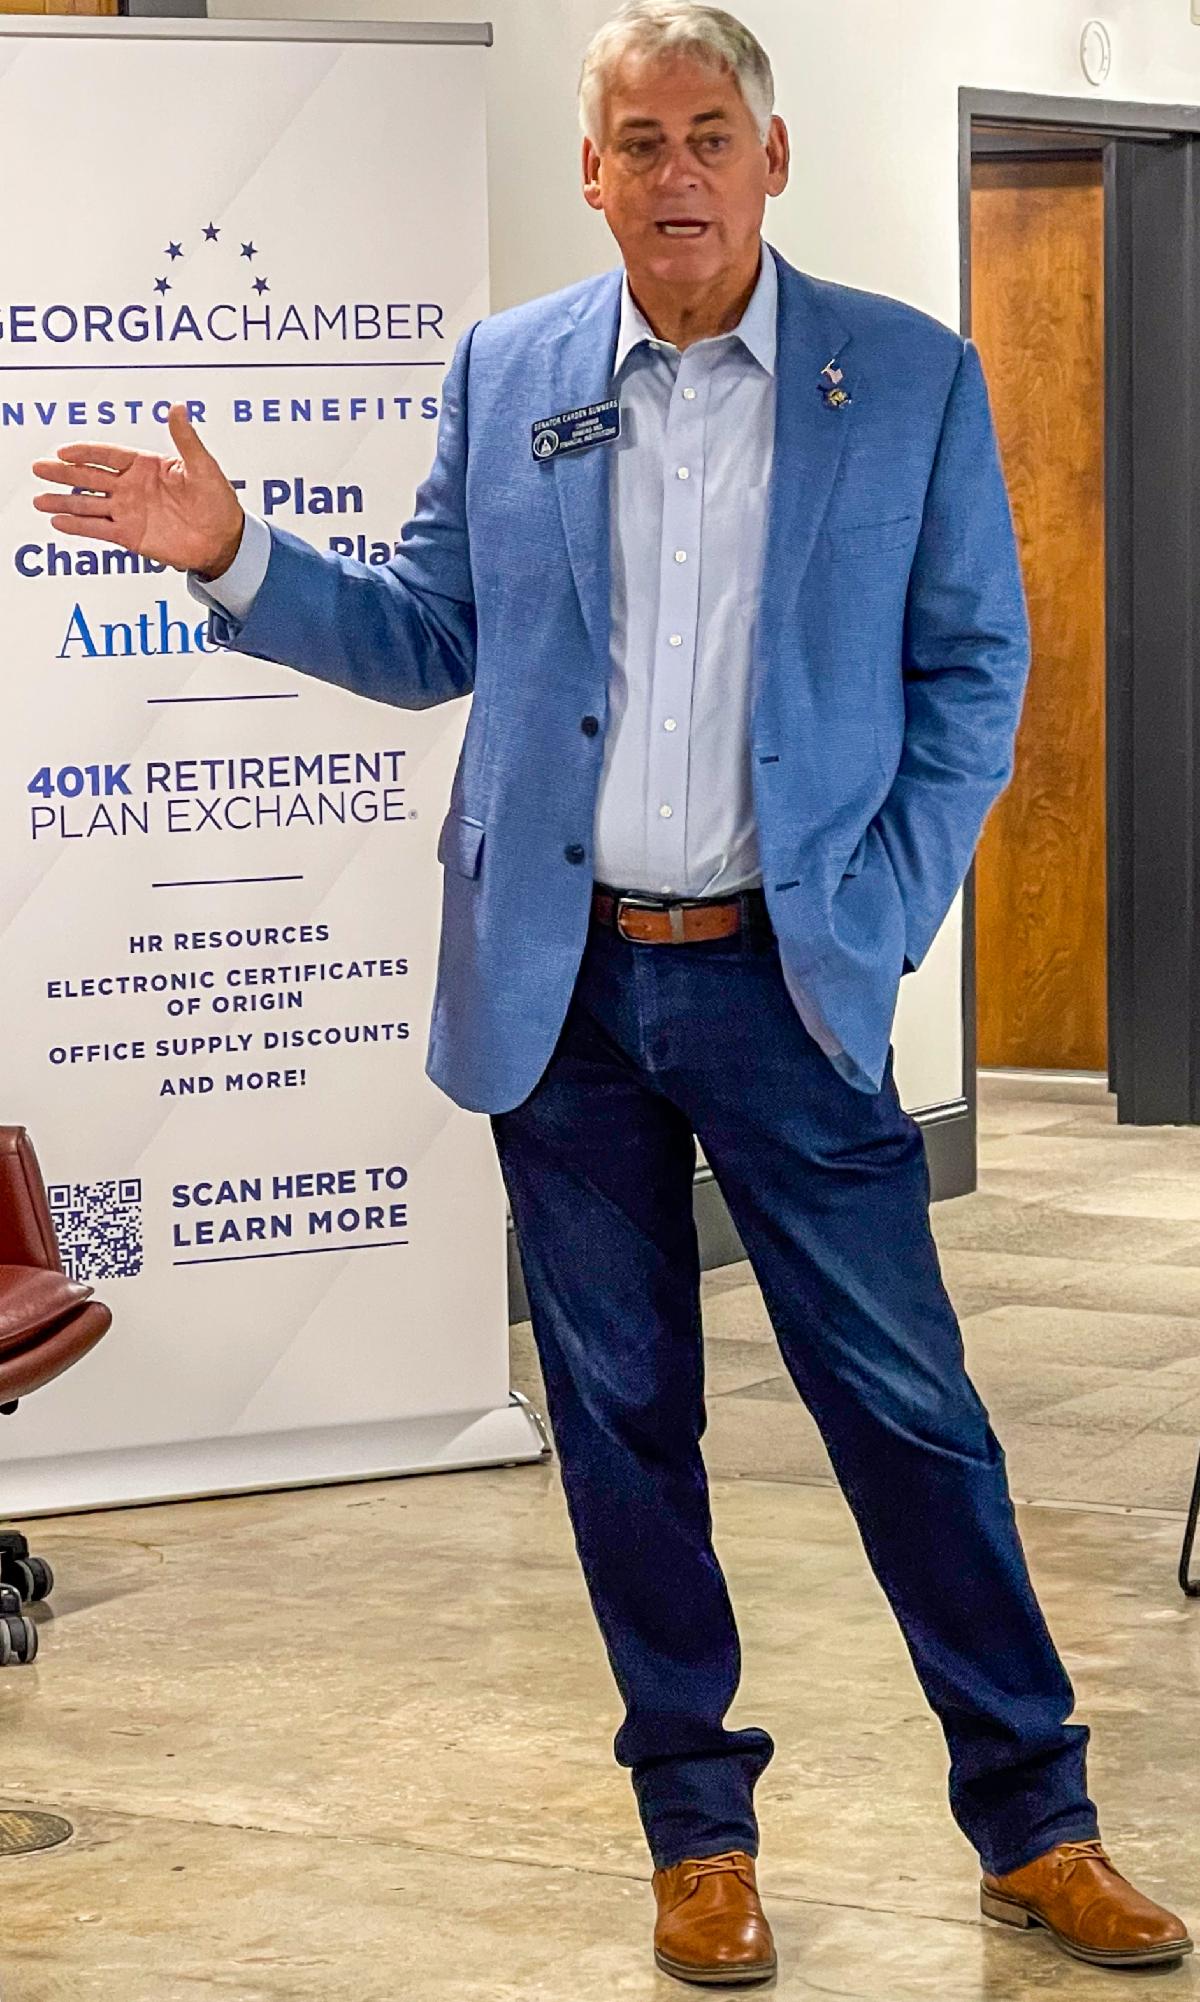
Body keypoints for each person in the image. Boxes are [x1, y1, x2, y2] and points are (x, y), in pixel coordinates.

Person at [31, 1, 1192, 1982]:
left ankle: (1037, 1818)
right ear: (591, 173)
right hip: (561, 994)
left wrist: (881, 913)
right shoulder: (512, 372)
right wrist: (236, 556)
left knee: (911, 1414)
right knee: (622, 1422)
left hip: (787, 984)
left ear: (773, 157)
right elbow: (428, 634)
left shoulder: (905, 375)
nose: (675, 172)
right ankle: (697, 1836)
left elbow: (972, 671)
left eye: (708, 134)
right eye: (638, 141)